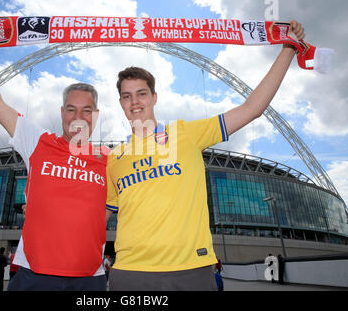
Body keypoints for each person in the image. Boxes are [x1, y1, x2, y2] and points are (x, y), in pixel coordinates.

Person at [106, 21, 305, 291]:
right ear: (121, 104)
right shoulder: (114, 158)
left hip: (190, 272)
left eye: (141, 93)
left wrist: (288, 50)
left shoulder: (187, 134)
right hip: (130, 274)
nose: (135, 102)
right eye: (127, 96)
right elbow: (105, 215)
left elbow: (251, 108)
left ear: (154, 97)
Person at [0, 18, 108, 291]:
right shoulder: (38, 141)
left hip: (90, 279)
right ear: (62, 113)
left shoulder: (108, 158)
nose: (78, 117)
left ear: (95, 116)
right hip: (34, 276)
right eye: (71, 109)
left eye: (87, 110)